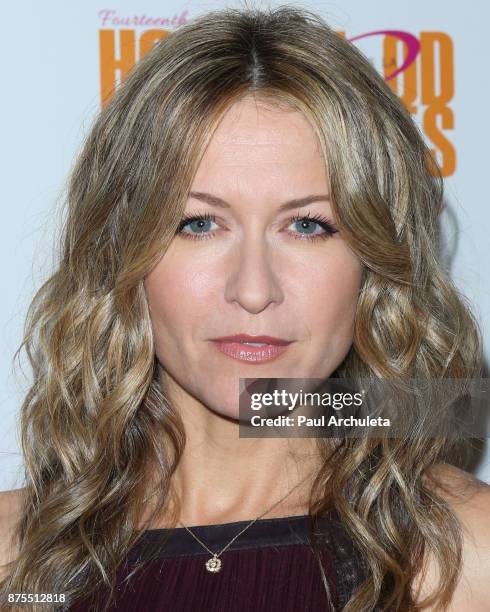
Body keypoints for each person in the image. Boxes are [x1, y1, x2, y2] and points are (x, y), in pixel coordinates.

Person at [1, 5, 489, 611]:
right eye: (199, 223)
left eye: (308, 226)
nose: (254, 289)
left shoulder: (464, 556)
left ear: (373, 262)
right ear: (123, 250)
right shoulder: (19, 560)